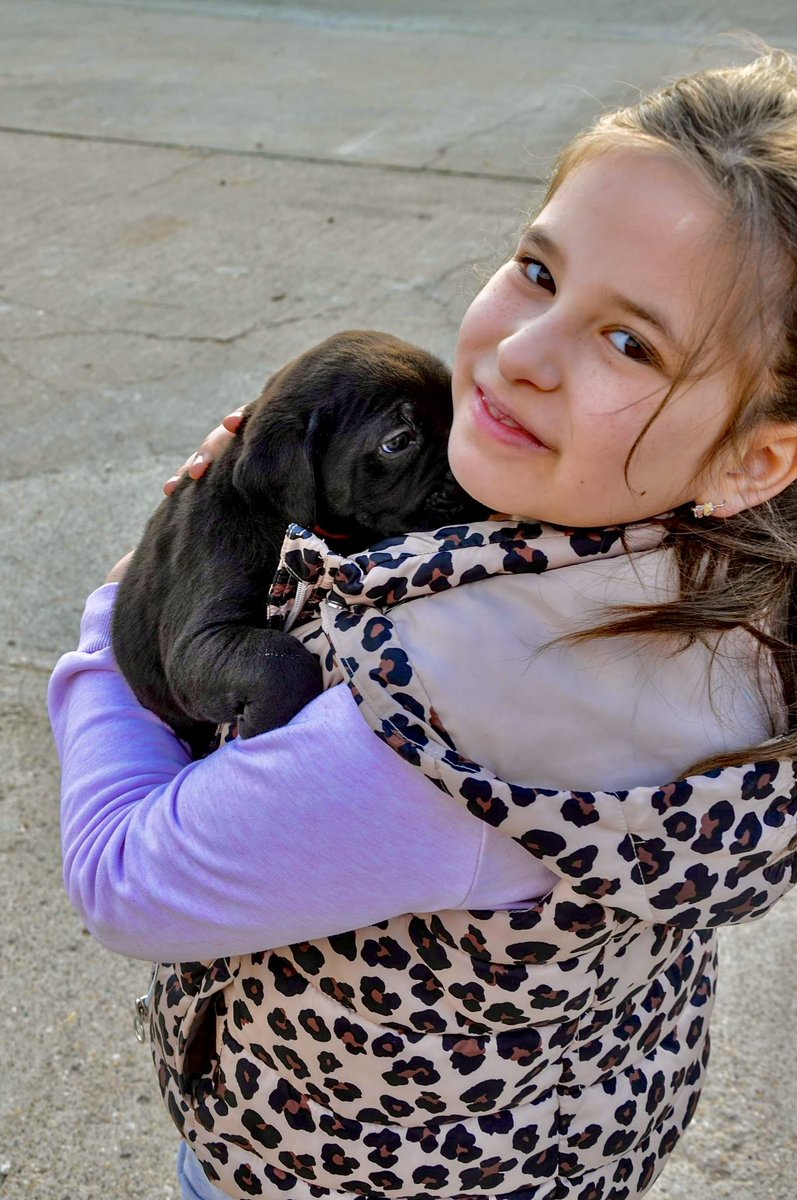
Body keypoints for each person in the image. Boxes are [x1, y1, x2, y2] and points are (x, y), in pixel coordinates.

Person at [49, 46, 797, 1200]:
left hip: (340, 1165)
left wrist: (115, 621)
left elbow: (124, 881)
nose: (517, 353)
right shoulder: (720, 569)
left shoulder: (448, 725)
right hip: (572, 1122)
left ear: (755, 457)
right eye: (537, 270)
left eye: (628, 342)